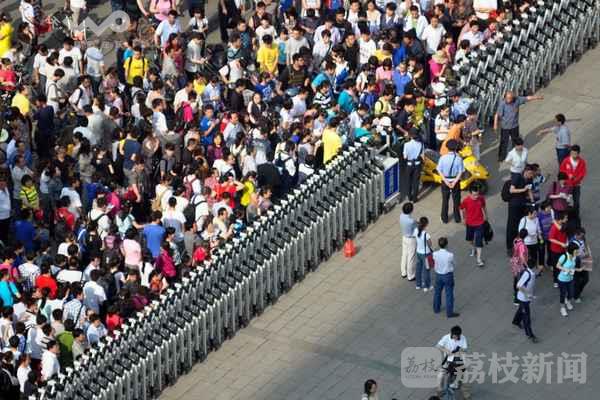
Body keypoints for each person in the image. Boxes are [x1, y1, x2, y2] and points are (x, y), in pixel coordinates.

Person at [494, 91, 543, 161]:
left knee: (515, 141)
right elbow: (497, 115)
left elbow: (527, 98)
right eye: (507, 98)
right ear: (505, 98)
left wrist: (537, 97)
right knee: (504, 142)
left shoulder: (517, 100)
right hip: (505, 127)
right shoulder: (502, 104)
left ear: (513, 98)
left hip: (514, 126)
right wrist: (495, 125)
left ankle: (515, 154)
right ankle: (501, 157)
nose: (508, 100)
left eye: (510, 98)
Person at [436, 139, 464, 224]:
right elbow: (460, 172)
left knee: (445, 200)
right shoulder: (459, 159)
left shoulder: (442, 158)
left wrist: (446, 182)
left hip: (445, 182)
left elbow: (439, 170)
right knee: (456, 200)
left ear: (447, 148)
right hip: (455, 181)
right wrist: (454, 182)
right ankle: (457, 218)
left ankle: (444, 218)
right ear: (455, 148)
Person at [459, 184, 487, 267]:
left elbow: (484, 207)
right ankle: (472, 248)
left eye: (477, 194)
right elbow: (461, 209)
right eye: (474, 195)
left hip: (480, 223)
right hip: (470, 223)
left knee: (479, 241)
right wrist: (463, 219)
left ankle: (479, 259)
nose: (476, 196)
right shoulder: (466, 201)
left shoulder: (481, 198)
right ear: (470, 193)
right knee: (470, 240)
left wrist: (486, 215)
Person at [512, 259, 539, 343]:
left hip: (526, 298)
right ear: (534, 267)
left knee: (521, 309)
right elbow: (518, 285)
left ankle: (516, 321)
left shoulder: (531, 273)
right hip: (523, 298)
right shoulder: (528, 274)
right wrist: (527, 294)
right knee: (526, 317)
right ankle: (530, 334)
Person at [433, 237, 459, 318]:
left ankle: (436, 308)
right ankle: (449, 313)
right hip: (447, 275)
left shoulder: (435, 254)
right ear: (446, 245)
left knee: (437, 292)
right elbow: (455, 263)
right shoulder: (450, 255)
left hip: (438, 275)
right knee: (449, 294)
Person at [436, 326, 467, 392]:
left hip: (458, 358)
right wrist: (446, 350)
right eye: (454, 337)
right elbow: (438, 346)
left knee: (462, 371)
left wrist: (461, 350)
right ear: (451, 334)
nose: (456, 338)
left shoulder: (463, 337)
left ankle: (456, 384)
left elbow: (464, 349)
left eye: (457, 337)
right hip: (448, 358)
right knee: (442, 372)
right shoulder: (446, 337)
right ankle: (439, 387)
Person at [559, 144, 586, 218]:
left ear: (578, 153)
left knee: (576, 202)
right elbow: (561, 171)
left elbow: (582, 173)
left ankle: (576, 215)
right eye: (572, 153)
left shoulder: (582, 162)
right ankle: (565, 216)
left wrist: (575, 179)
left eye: (575, 153)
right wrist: (563, 180)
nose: (573, 155)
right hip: (567, 185)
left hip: (576, 185)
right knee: (565, 201)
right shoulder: (566, 161)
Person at [556, 243, 580, 317]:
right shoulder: (564, 256)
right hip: (562, 279)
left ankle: (568, 301)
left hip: (570, 278)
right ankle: (562, 308)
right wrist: (565, 269)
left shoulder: (574, 257)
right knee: (563, 294)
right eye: (576, 250)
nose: (577, 252)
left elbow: (572, 267)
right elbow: (557, 265)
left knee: (571, 293)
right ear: (572, 250)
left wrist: (578, 269)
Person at [403, 129, 424, 203]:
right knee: (416, 181)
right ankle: (415, 198)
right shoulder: (421, 144)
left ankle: (409, 196)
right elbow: (422, 156)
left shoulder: (406, 144)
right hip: (417, 164)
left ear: (410, 136)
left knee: (408, 181)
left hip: (409, 164)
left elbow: (405, 157)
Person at [414, 217, 433, 292]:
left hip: (418, 252)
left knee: (418, 269)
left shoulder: (416, 230)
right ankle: (426, 286)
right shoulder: (426, 234)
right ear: (426, 224)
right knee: (426, 270)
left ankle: (418, 285)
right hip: (426, 254)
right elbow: (430, 244)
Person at [399, 202, 417, 281]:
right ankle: (411, 275)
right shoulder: (411, 221)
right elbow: (416, 227)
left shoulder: (401, 216)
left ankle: (403, 272)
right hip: (411, 239)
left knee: (404, 255)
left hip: (404, 237)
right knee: (411, 257)